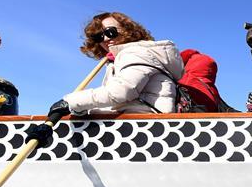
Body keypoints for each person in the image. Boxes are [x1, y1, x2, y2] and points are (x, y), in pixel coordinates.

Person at [45, 12, 184, 118]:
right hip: (136, 123)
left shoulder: (136, 52)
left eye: (110, 32)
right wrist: (81, 110)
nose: (105, 39)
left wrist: (70, 102)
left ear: (128, 30)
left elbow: (120, 92)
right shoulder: (120, 60)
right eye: (99, 37)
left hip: (142, 129)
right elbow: (116, 104)